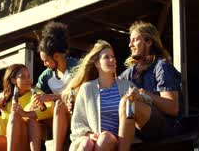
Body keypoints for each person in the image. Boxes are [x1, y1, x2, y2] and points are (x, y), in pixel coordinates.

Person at [118, 21, 183, 150]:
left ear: (149, 42)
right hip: (141, 129)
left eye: (135, 40)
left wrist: (145, 94)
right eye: (130, 41)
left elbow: (173, 107)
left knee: (129, 103)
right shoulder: (128, 74)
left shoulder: (161, 67)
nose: (130, 45)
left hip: (167, 126)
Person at [66, 40, 134, 151]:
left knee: (104, 138)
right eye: (106, 57)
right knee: (85, 143)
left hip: (117, 139)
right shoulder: (87, 89)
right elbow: (78, 122)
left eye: (113, 57)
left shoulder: (126, 86)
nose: (112, 60)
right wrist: (89, 135)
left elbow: (143, 102)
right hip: (94, 138)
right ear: (97, 63)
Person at [0, 64, 54, 151]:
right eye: (23, 77)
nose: (28, 79)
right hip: (13, 143)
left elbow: (51, 110)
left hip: (31, 141)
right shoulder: (8, 101)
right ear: (13, 80)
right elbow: (2, 133)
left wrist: (25, 114)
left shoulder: (35, 93)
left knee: (15, 115)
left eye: (28, 76)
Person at [33, 21, 79, 151]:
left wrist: (52, 97)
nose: (44, 64)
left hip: (77, 113)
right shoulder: (46, 76)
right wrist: (38, 101)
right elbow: (35, 92)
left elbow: (82, 92)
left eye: (46, 60)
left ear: (57, 56)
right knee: (32, 117)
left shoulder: (77, 67)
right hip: (57, 119)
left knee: (59, 104)